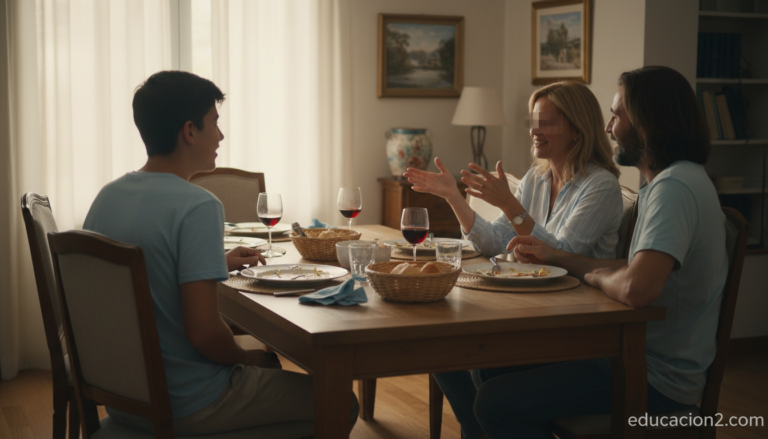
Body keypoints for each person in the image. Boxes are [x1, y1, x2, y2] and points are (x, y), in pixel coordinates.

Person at [444, 66, 726, 439]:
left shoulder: (673, 189)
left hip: (652, 372)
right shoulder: (673, 183)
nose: (609, 128)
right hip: (632, 352)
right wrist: (598, 269)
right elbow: (629, 268)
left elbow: (636, 289)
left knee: (494, 402)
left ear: (645, 121)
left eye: (617, 115)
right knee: (487, 369)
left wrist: (591, 272)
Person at [84, 71, 358, 435]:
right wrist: (247, 359)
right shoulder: (197, 205)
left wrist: (215, 263)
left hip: (124, 398)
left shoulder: (108, 196)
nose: (221, 135)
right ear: (189, 131)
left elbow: (141, 268)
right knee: (340, 401)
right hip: (189, 399)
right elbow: (205, 333)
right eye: (214, 122)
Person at [405, 81, 623, 261]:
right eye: (533, 122)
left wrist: (510, 206)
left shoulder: (601, 185)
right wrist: (453, 197)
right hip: (538, 291)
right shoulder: (535, 179)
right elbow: (496, 241)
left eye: (545, 123)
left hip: (581, 300)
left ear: (577, 129)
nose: (534, 131)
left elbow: (564, 254)